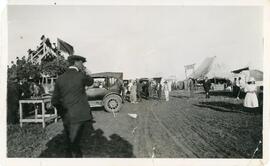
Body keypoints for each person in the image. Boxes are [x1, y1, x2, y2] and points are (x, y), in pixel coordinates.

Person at [52, 55, 94, 158]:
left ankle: (70, 154)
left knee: (69, 138)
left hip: (66, 115)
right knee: (75, 141)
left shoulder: (60, 78)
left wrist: (63, 113)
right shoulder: (81, 75)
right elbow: (91, 82)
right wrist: (86, 72)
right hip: (80, 115)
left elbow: (54, 100)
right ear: (76, 62)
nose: (82, 65)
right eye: (81, 62)